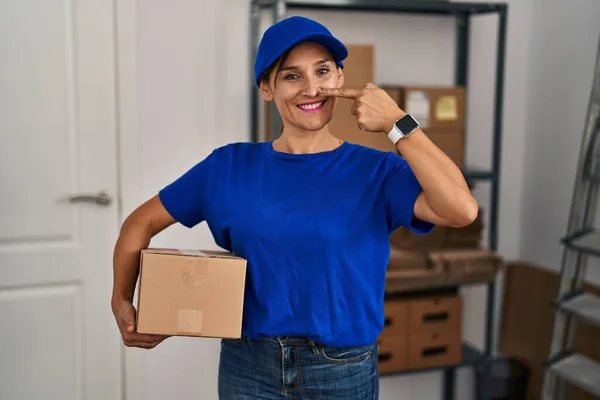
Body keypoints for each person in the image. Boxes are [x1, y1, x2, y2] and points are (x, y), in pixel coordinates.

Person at [111, 15, 478, 400]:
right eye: (291, 76)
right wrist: (121, 298)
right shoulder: (228, 167)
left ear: (340, 77)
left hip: (342, 370)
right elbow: (141, 222)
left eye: (322, 71)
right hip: (248, 366)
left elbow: (461, 210)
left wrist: (398, 124)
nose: (311, 88)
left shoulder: (377, 171)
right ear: (267, 88)